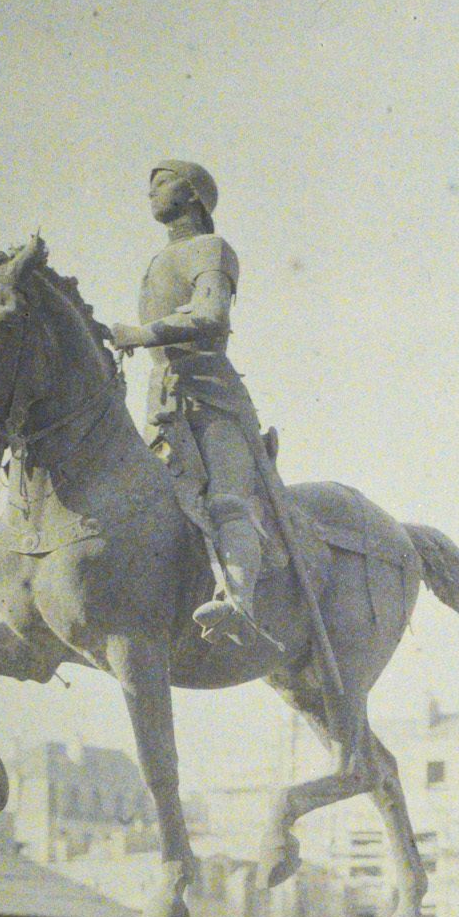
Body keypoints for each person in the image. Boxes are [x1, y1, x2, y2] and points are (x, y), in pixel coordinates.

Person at [110, 161, 275, 647]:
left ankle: (239, 605)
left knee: (226, 500)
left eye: (161, 181)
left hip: (212, 397)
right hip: (163, 402)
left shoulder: (211, 249)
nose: (150, 191)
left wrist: (142, 334)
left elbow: (210, 313)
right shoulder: (157, 262)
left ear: (195, 194)